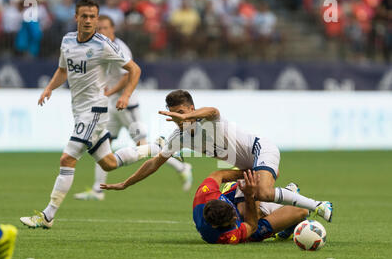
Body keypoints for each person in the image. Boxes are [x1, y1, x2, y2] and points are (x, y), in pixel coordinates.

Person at [19, 0, 158, 229]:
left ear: (97, 18)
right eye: (84, 16)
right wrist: (49, 88)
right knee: (109, 163)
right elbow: (63, 70)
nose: (88, 21)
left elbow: (134, 69)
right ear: (76, 18)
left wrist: (125, 95)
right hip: (79, 110)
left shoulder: (103, 44)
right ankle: (155, 148)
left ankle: (47, 216)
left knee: (67, 158)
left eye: (93, 17)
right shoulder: (67, 41)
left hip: (95, 111)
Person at [100, 89, 333, 222]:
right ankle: (290, 195)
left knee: (262, 192)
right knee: (248, 215)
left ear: (191, 109)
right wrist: (126, 183)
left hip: (261, 151)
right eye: (173, 115)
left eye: (181, 113)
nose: (177, 118)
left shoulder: (208, 119)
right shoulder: (178, 137)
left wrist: (187, 118)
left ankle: (319, 205)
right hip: (247, 169)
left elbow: (213, 110)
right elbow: (154, 163)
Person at [73, 15, 193, 201]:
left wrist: (110, 92)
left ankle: (182, 167)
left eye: (105, 28)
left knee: (143, 147)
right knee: (104, 146)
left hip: (127, 105)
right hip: (113, 105)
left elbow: (127, 76)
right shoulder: (102, 47)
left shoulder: (120, 49)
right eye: (100, 28)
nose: (102, 31)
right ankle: (98, 190)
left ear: (113, 29)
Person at [192, 169, 309, 244]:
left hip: (233, 200)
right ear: (215, 226)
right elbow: (251, 225)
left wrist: (253, 172)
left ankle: (281, 200)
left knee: (258, 174)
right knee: (302, 211)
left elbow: (219, 174)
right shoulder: (228, 235)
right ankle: (285, 208)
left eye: (233, 213)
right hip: (251, 227)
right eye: (232, 220)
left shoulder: (205, 194)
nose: (234, 218)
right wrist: (250, 196)